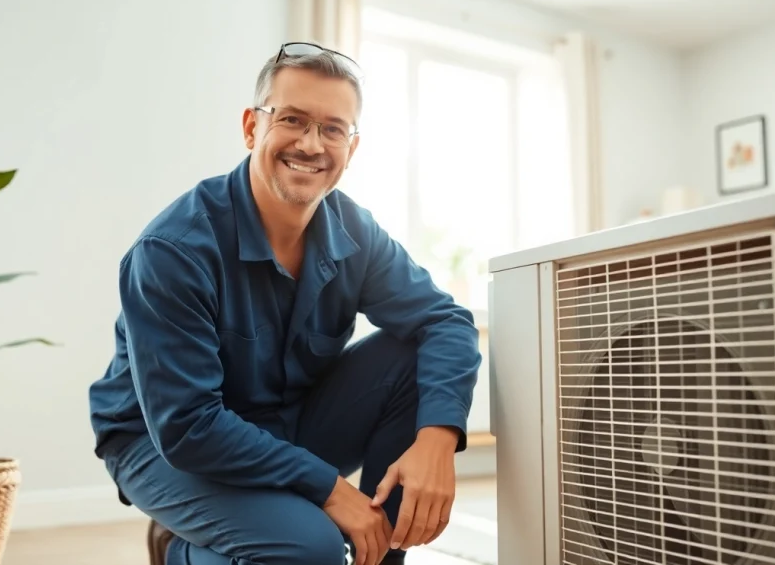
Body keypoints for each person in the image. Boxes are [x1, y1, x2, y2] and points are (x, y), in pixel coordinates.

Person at [87, 41, 482, 565]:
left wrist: (438, 439)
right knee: (310, 547)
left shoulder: (356, 230)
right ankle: (181, 550)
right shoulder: (173, 250)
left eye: (333, 129)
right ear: (252, 127)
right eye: (292, 119)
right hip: (164, 443)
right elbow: (187, 426)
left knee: (410, 353)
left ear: (351, 148)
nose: (311, 144)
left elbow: (445, 321)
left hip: (287, 423)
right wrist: (333, 491)